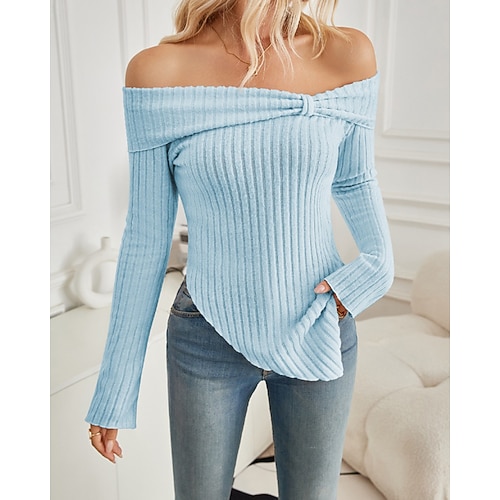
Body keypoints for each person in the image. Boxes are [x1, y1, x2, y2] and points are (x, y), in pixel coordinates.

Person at [85, 0, 394, 498]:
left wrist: (378, 268)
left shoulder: (345, 54)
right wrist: (115, 389)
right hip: (205, 336)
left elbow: (355, 177)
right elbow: (146, 235)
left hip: (318, 319)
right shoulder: (158, 72)